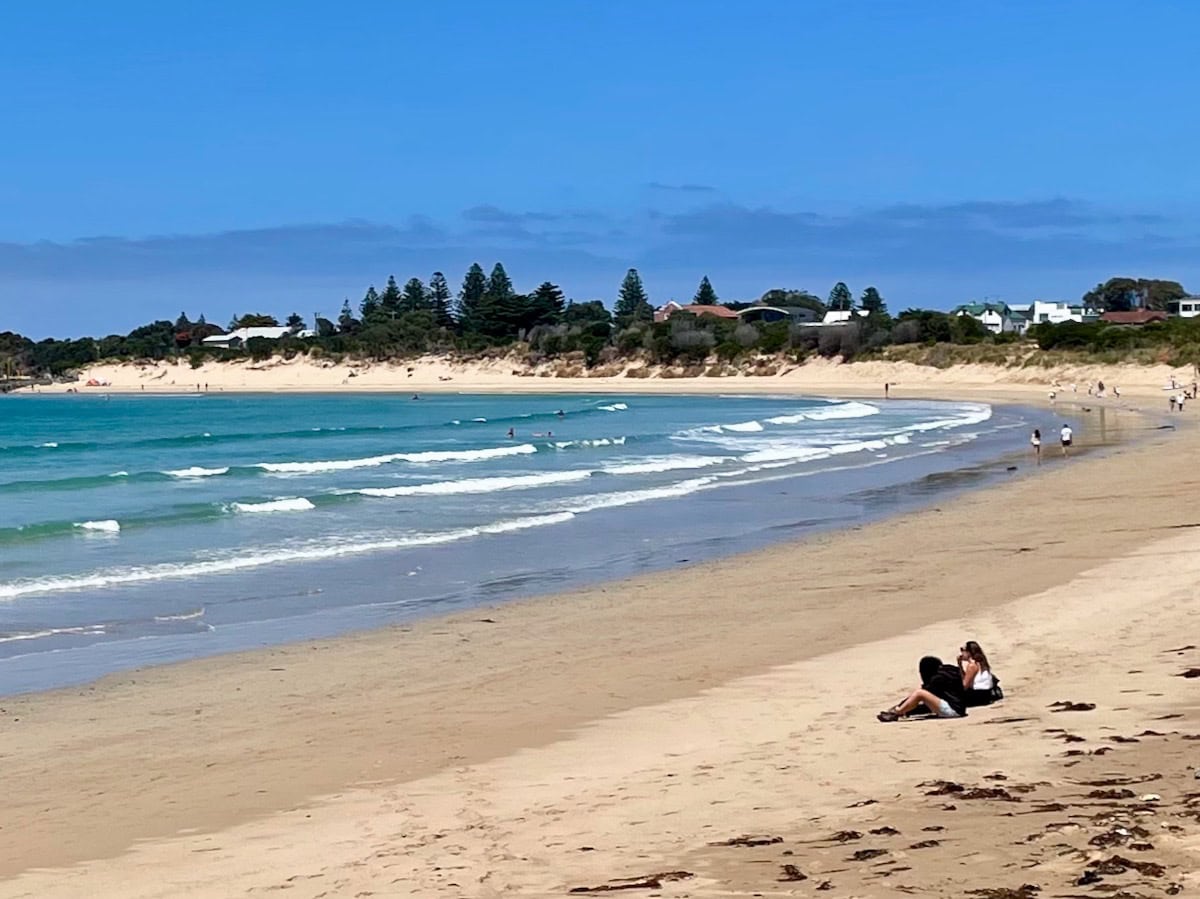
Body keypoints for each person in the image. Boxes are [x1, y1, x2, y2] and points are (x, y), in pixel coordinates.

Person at [877, 656, 967, 722]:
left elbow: (920, 696)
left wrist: (900, 706)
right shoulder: (947, 673)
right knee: (920, 693)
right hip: (959, 709)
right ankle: (898, 711)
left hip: (953, 711)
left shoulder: (937, 679)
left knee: (920, 693)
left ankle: (896, 713)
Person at [958, 641, 1001, 707]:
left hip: (978, 697)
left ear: (968, 652)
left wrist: (959, 665)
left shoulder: (972, 665)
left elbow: (964, 686)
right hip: (988, 695)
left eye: (962, 650)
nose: (961, 653)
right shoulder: (983, 663)